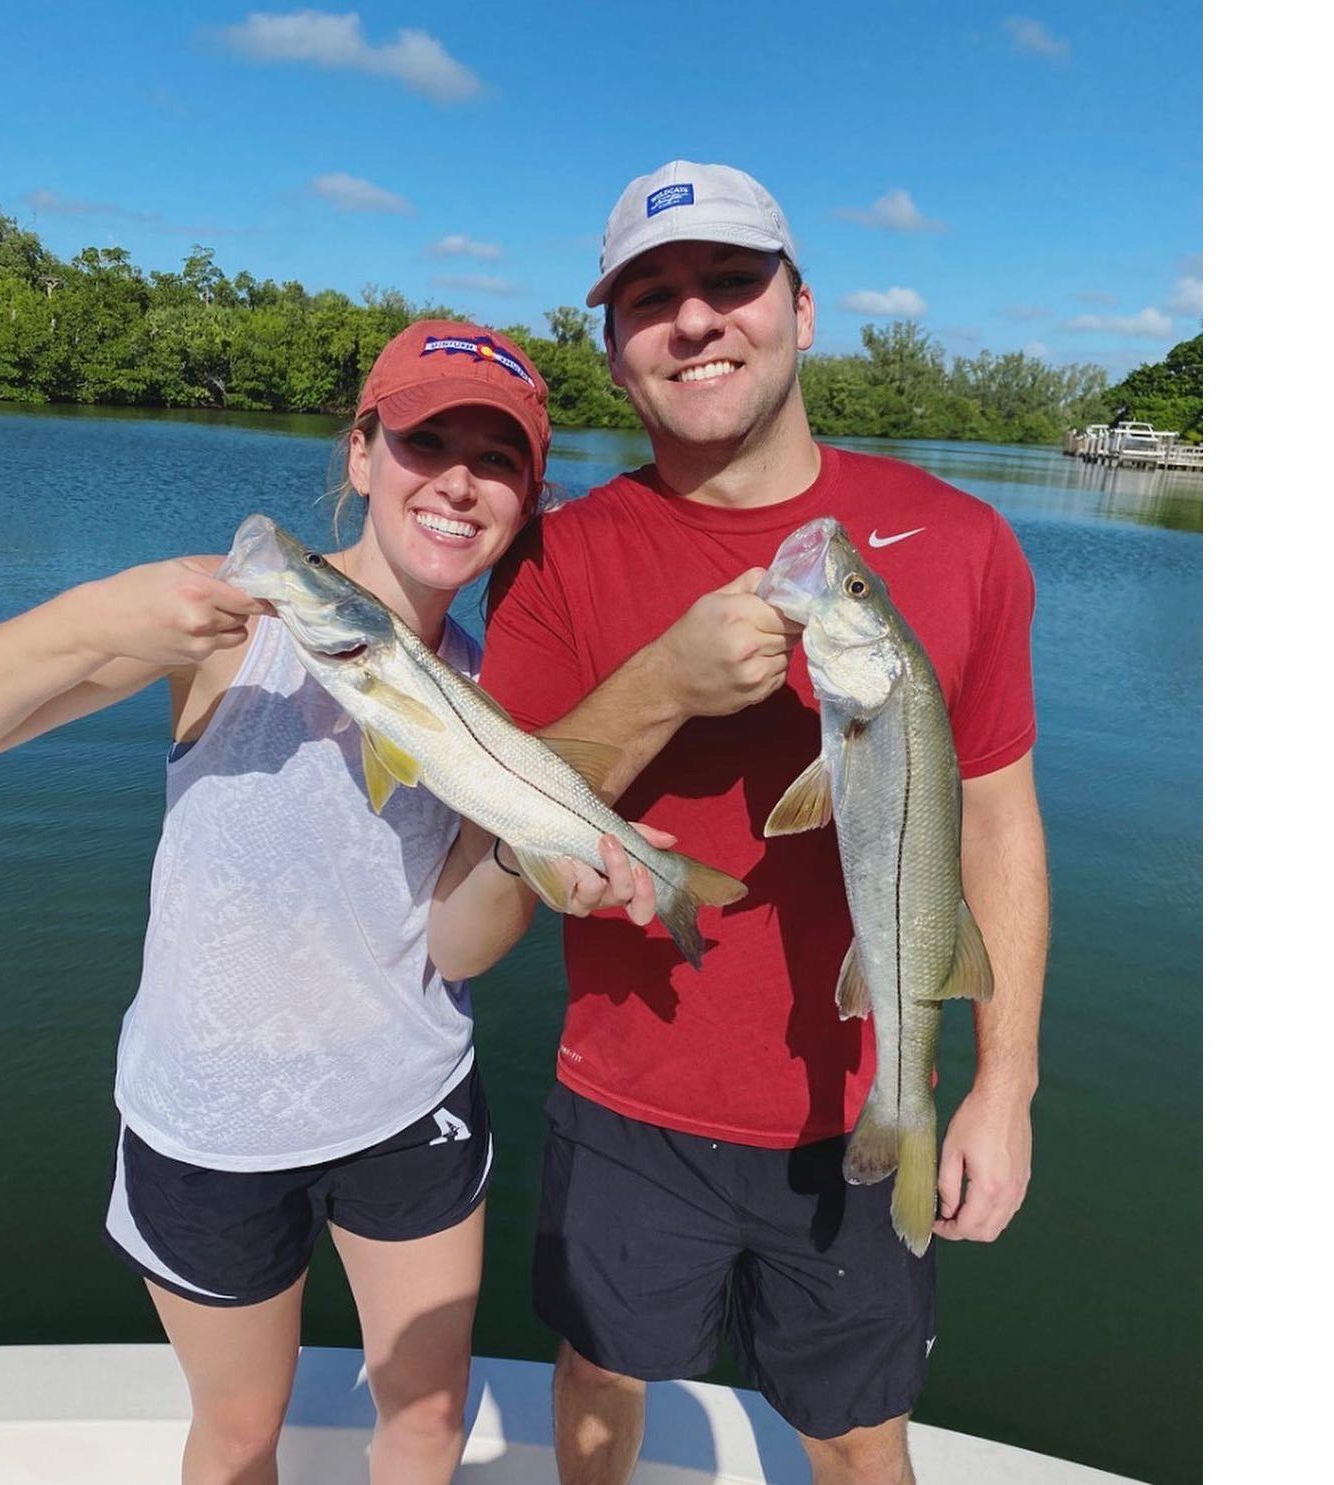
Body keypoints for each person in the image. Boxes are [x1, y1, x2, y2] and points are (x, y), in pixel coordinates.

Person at [428, 163, 1048, 1485]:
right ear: (614, 350)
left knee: (858, 1429)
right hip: (626, 1096)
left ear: (802, 310)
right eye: (650, 299)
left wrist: (1005, 1085)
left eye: (731, 281)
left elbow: (997, 820)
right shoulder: (555, 555)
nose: (696, 318)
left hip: (860, 1101)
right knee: (599, 1374)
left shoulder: (963, 540)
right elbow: (508, 817)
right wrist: (665, 682)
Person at [0, 319, 654, 1485]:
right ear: (361, 453)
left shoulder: (498, 693)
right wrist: (102, 617)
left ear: (528, 498)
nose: (457, 482)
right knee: (242, 1434)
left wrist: (528, 860)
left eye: (496, 460)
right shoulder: (227, 621)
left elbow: (457, 949)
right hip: (208, 1123)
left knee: (430, 1421)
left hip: (409, 1100)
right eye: (425, 442)